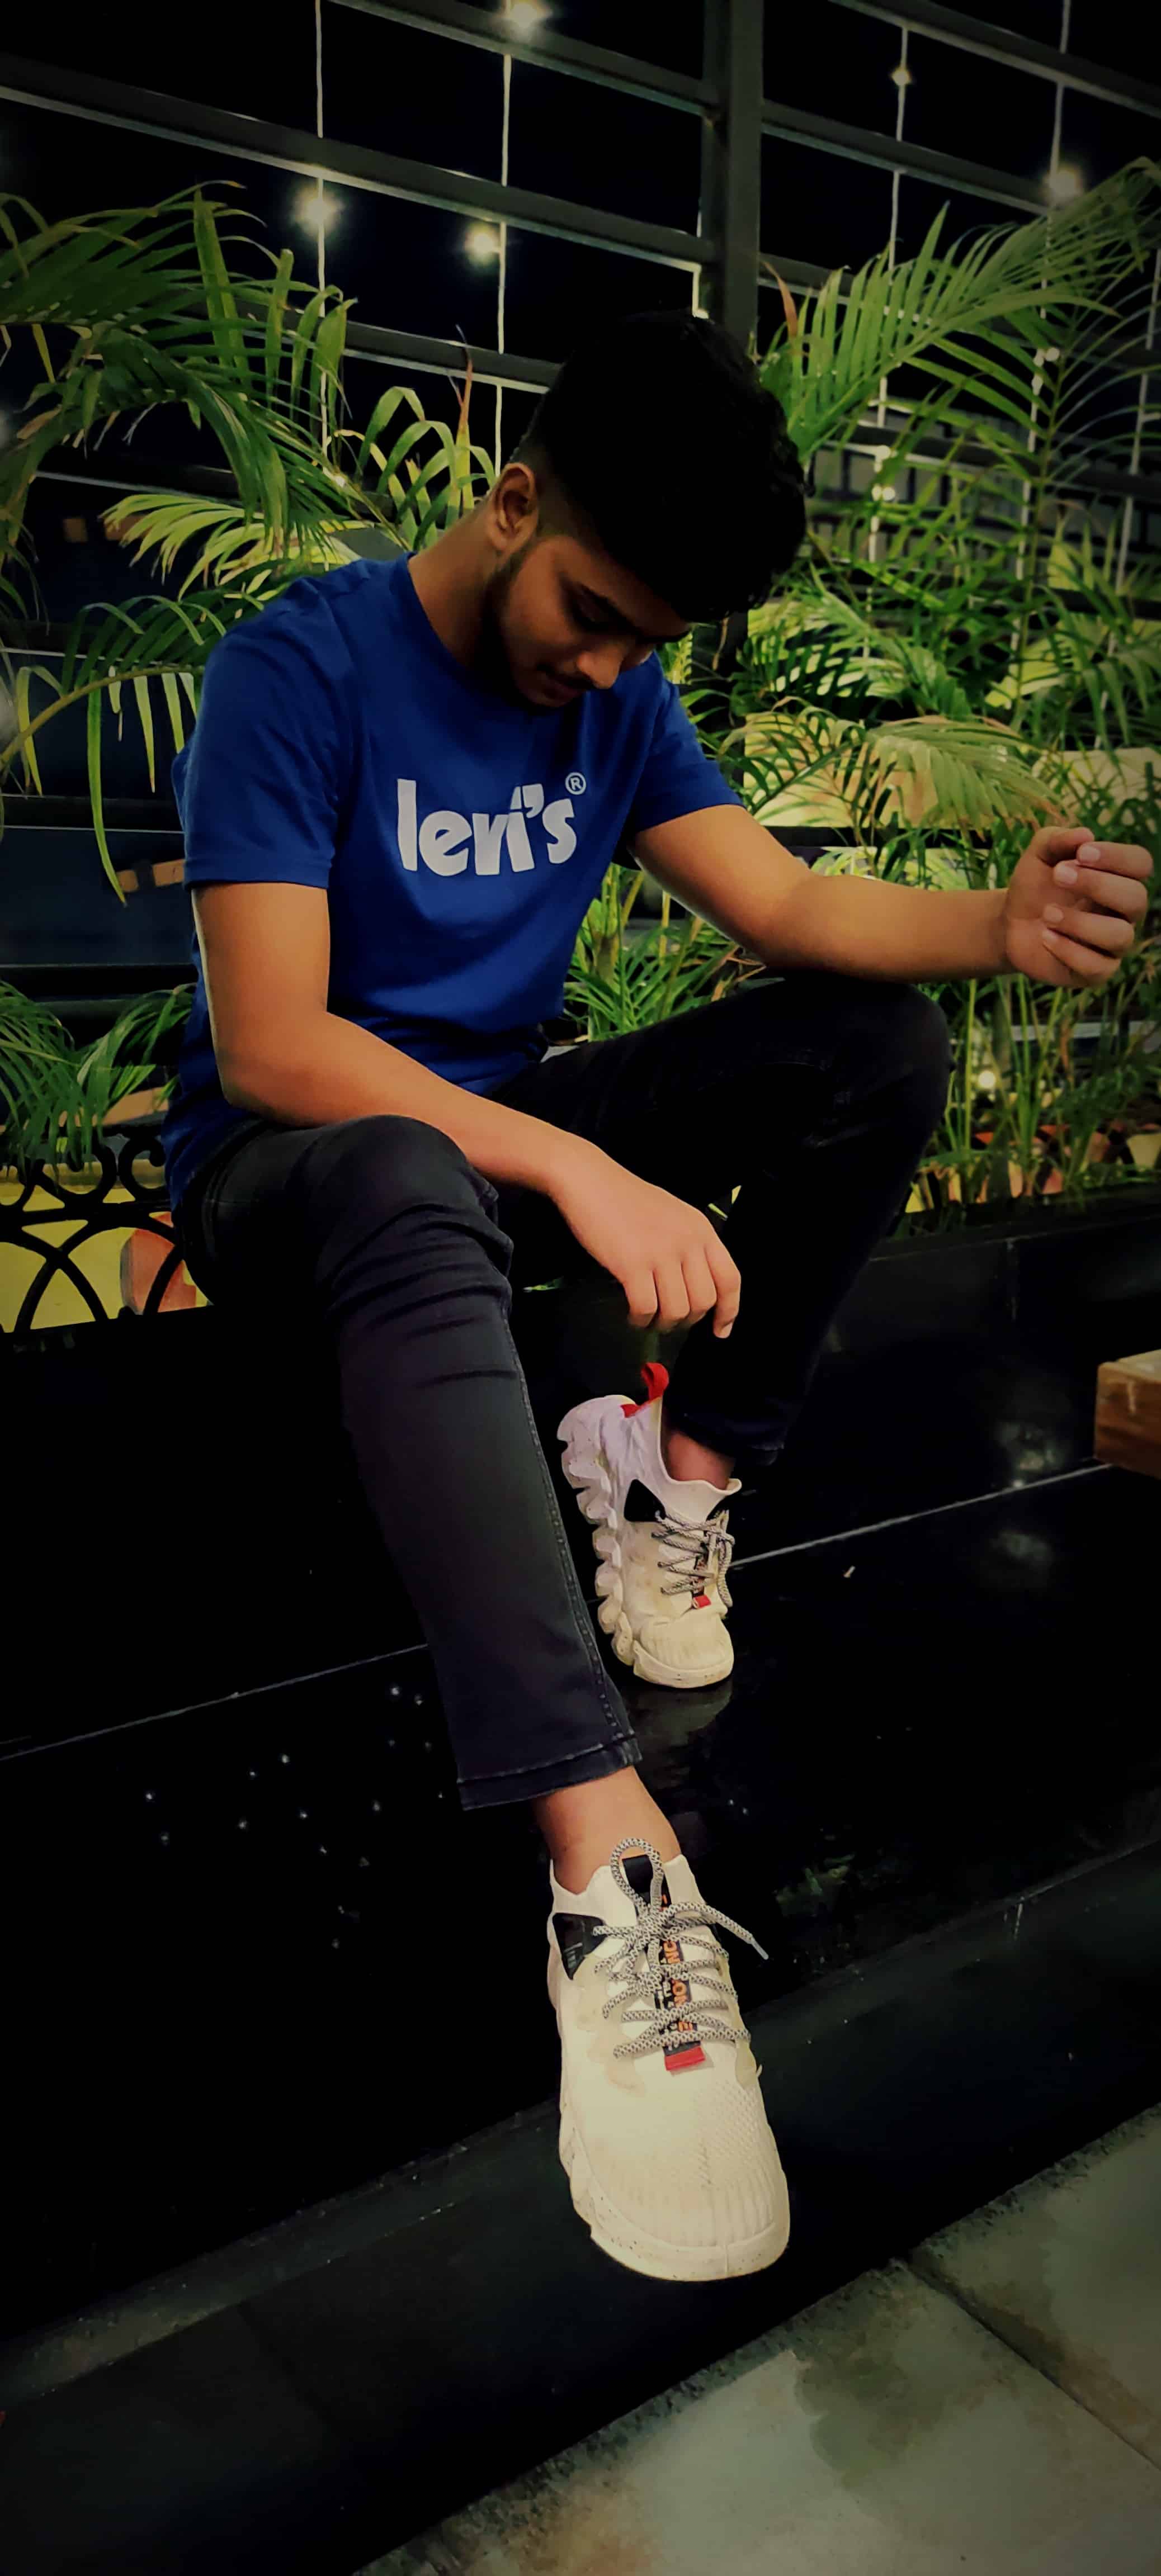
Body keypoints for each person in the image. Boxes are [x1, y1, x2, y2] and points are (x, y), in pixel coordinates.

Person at [164, 307, 953, 2287]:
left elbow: (785, 905)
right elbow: (274, 1044)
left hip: (486, 1144)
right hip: (296, 1179)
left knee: (872, 1047)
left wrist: (999, 928)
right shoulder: (298, 669)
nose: (601, 670)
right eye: (592, 615)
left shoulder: (616, 690)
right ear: (514, 501)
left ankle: (676, 1476)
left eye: (642, 644)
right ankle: (608, 1867)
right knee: (408, 1155)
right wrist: (581, 1167)